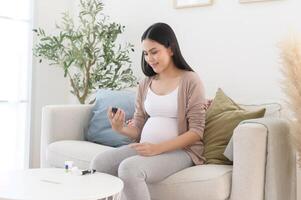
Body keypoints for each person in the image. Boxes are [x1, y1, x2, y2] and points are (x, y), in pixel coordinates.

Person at [90, 22, 207, 200]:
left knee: (129, 168)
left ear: (171, 49)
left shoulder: (190, 80)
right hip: (146, 147)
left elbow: (197, 131)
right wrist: (120, 128)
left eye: (154, 52)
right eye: (145, 53)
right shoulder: (146, 83)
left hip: (181, 152)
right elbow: (137, 125)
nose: (149, 58)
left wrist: (158, 148)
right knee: (100, 163)